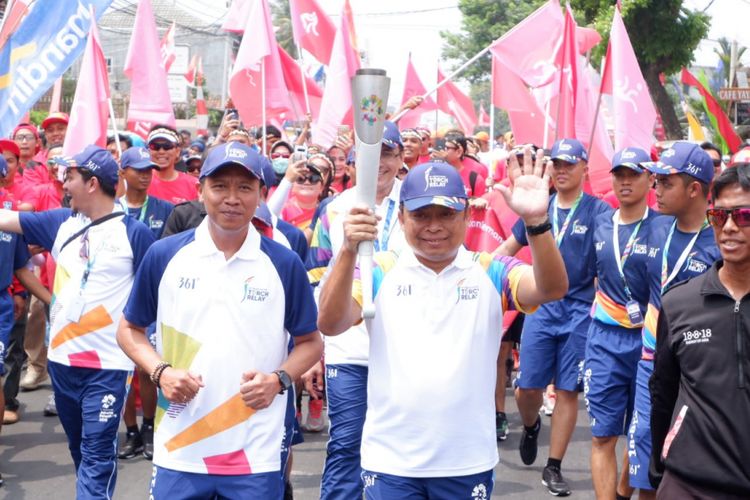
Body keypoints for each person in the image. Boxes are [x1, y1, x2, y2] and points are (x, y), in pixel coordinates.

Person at [317, 152, 568, 499]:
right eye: (421, 215)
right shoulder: (379, 269)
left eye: (446, 214)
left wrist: (537, 221)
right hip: (391, 462)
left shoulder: (492, 271)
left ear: (466, 215)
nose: (433, 226)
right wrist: (347, 249)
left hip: (465, 462)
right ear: (402, 217)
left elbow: (552, 288)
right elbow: (330, 322)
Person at [116, 142, 322, 499]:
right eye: (220, 186)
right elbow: (128, 330)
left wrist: (278, 379)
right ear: (200, 190)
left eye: (244, 187)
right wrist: (161, 372)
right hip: (180, 444)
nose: (232, 198)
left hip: (254, 448)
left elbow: (311, 342)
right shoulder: (165, 254)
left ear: (262, 194)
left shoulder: (283, 263)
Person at [0, 145, 155, 498]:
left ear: (92, 183)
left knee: (98, 456)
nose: (63, 184)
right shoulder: (58, 223)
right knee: (81, 454)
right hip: (62, 362)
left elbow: (152, 296)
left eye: (69, 177)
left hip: (108, 367)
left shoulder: (135, 234)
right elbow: (4, 219)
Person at [497, 138, 612, 496]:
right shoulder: (538, 206)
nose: (561, 170)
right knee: (527, 387)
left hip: (580, 310)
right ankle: (531, 426)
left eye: (569, 164)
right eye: (556, 164)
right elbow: (505, 252)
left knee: (566, 391)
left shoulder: (598, 211)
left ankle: (554, 466)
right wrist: (472, 269)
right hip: (542, 309)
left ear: (583, 168)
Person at [306, 121, 405, 500]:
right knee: (347, 444)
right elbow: (315, 278)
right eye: (369, 153)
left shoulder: (417, 204)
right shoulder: (333, 209)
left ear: (400, 159)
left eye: (388, 153)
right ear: (351, 163)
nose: (378, 162)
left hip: (403, 349)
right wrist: (315, 348)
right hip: (348, 348)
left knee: (399, 448)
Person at [649, 163, 750, 499]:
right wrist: (657, 461)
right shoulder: (679, 303)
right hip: (687, 482)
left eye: (744, 216)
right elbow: (662, 393)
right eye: (720, 217)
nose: (730, 227)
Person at [627, 141, 719, 500]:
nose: (656, 190)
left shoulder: (720, 241)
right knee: (646, 467)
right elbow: (636, 286)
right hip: (650, 365)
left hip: (696, 372)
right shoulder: (653, 229)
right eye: (656, 181)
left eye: (666, 182)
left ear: (694, 189)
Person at [584, 148, 659, 500]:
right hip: (604, 339)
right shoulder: (601, 223)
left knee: (641, 435)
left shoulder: (663, 227)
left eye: (633, 174)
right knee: (602, 435)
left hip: (648, 343)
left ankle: (623, 492)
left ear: (650, 179)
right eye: (619, 174)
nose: (625, 181)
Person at [146, 125, 199, 205]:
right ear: (149, 151)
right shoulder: (140, 181)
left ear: (177, 151)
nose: (161, 151)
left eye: (167, 146)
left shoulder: (193, 185)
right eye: (155, 146)